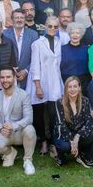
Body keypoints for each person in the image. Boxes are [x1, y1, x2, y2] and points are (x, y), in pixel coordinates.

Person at [0, 68, 37, 175]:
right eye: (2, 77)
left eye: (8, 77)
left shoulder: (24, 95)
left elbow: (29, 118)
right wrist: (0, 128)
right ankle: (10, 153)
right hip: (3, 132)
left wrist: (13, 126)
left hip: (18, 132)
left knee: (30, 129)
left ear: (14, 78)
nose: (5, 80)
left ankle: (28, 160)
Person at [29, 16, 63, 155]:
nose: (53, 29)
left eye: (55, 27)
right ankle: (43, 141)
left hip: (55, 82)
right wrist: (37, 86)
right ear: (44, 26)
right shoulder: (37, 44)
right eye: (50, 26)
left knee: (53, 114)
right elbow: (35, 65)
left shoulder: (59, 42)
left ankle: (53, 142)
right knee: (39, 115)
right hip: (41, 82)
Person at [52, 76, 93, 168]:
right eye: (70, 87)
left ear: (79, 88)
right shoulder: (59, 102)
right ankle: (60, 156)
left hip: (79, 134)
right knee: (65, 147)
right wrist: (72, 141)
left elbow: (89, 121)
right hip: (63, 134)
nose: (72, 89)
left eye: (75, 86)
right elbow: (61, 124)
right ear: (65, 89)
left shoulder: (85, 101)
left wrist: (77, 137)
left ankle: (82, 154)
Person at [4, 8, 38, 90]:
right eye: (16, 18)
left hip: (27, 78)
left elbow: (36, 57)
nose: (19, 20)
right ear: (12, 20)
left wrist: (26, 71)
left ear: (25, 20)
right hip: (9, 77)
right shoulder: (4, 34)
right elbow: (2, 55)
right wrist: (10, 69)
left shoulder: (33, 35)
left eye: (22, 18)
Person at [61, 23, 91, 89]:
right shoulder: (62, 49)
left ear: (81, 35)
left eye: (77, 33)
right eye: (72, 33)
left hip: (84, 82)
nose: (75, 35)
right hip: (66, 82)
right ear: (69, 34)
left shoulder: (87, 49)